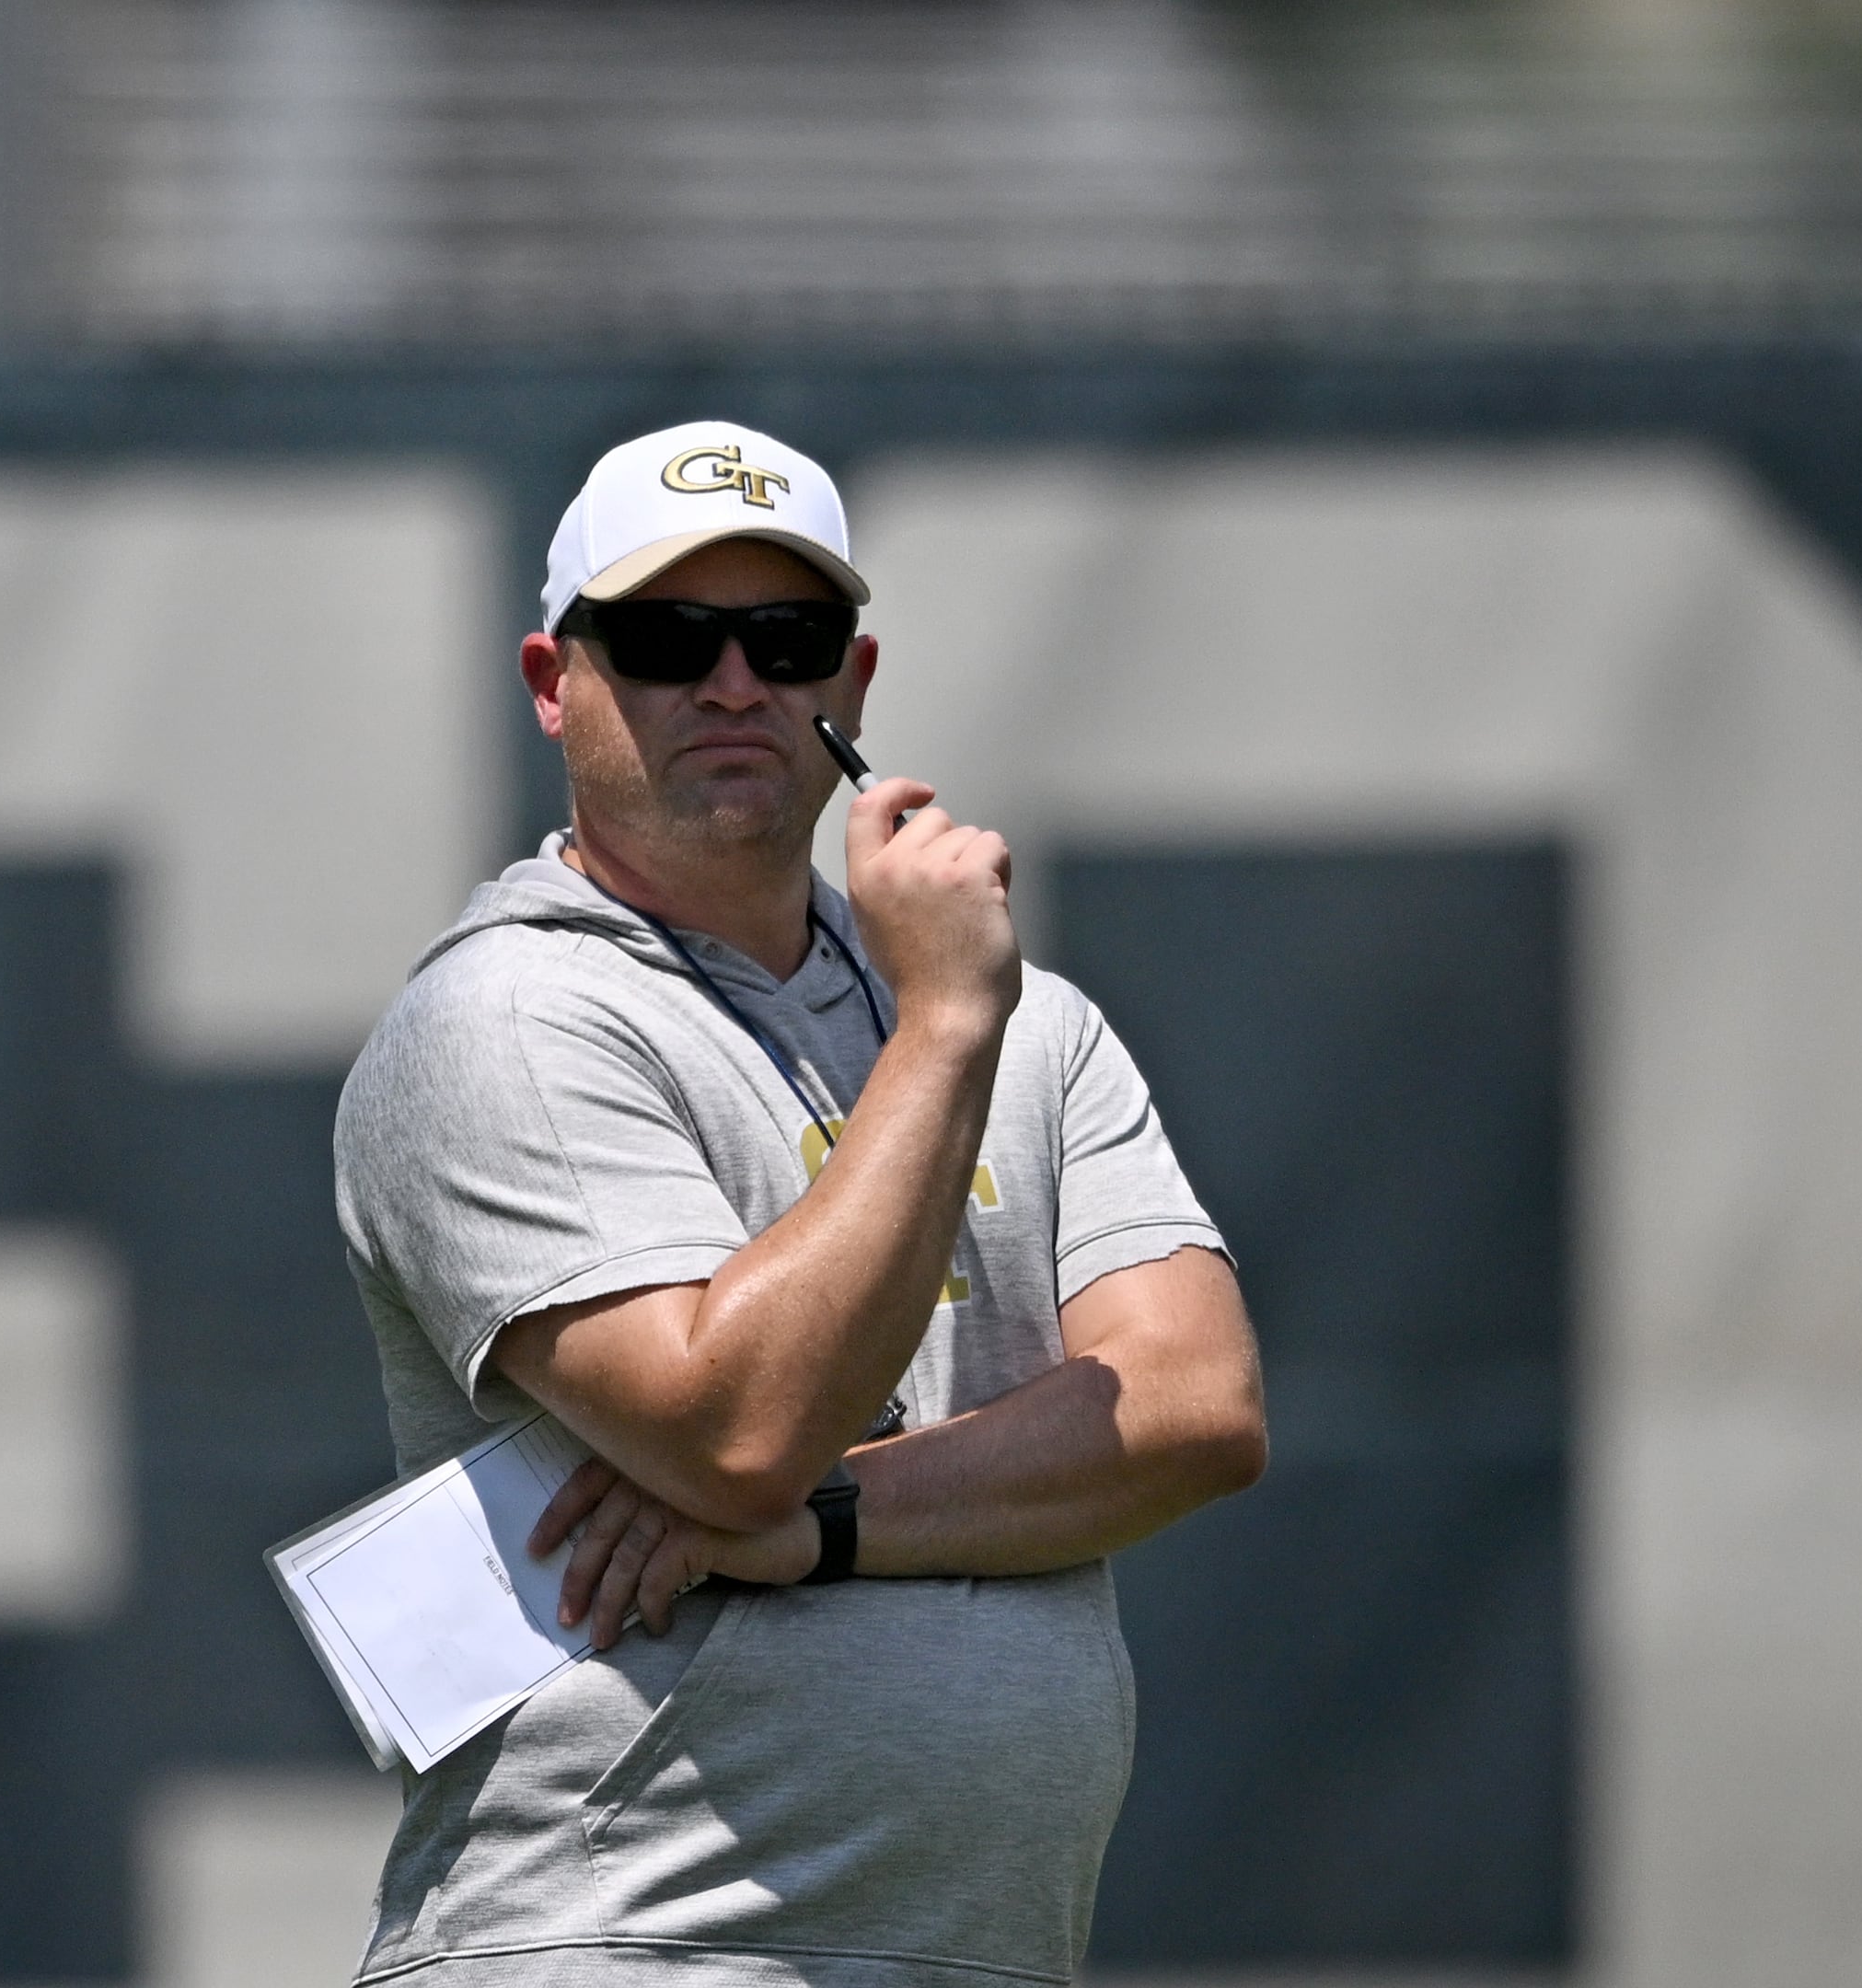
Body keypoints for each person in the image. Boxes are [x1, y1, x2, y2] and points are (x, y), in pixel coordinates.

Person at [330, 419, 1268, 1985]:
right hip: (623, 1947)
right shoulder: (507, 1019)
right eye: (665, 636)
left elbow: (1195, 1407)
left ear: (854, 679)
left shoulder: (1028, 1021)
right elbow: (739, 1425)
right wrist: (947, 1028)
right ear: (556, 683)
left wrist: (812, 1529)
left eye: (788, 636)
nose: (734, 681)